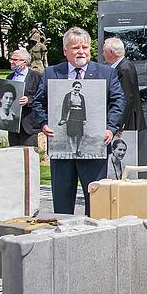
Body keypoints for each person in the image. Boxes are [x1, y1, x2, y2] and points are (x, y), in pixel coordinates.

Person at [32, 26, 125, 215]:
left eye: (85, 47)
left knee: (95, 200)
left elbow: (118, 102)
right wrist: (43, 124)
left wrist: (110, 128)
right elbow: (38, 103)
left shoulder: (105, 73)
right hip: (61, 149)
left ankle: (93, 238)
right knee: (62, 200)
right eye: (75, 48)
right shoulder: (52, 73)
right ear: (65, 51)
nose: (81, 52)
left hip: (95, 147)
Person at [102, 37, 147, 131]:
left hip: (126, 122)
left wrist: (119, 124)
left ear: (111, 52)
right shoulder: (122, 66)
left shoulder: (124, 68)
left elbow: (126, 97)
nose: (103, 55)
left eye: (104, 52)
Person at [6, 49, 42, 146]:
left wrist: (28, 100)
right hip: (12, 123)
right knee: (14, 155)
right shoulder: (9, 77)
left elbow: (43, 96)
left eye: (15, 59)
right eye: (11, 59)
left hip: (28, 124)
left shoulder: (36, 76)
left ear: (24, 61)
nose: (12, 62)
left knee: (29, 156)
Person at [58, 81, 87, 155]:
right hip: (71, 115)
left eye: (78, 87)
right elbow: (64, 108)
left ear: (80, 88)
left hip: (79, 115)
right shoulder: (68, 96)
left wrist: (84, 119)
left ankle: (79, 150)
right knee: (72, 134)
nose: (77, 89)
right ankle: (74, 151)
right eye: (76, 87)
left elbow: (83, 108)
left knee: (79, 135)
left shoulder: (81, 97)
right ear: (73, 87)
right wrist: (63, 119)